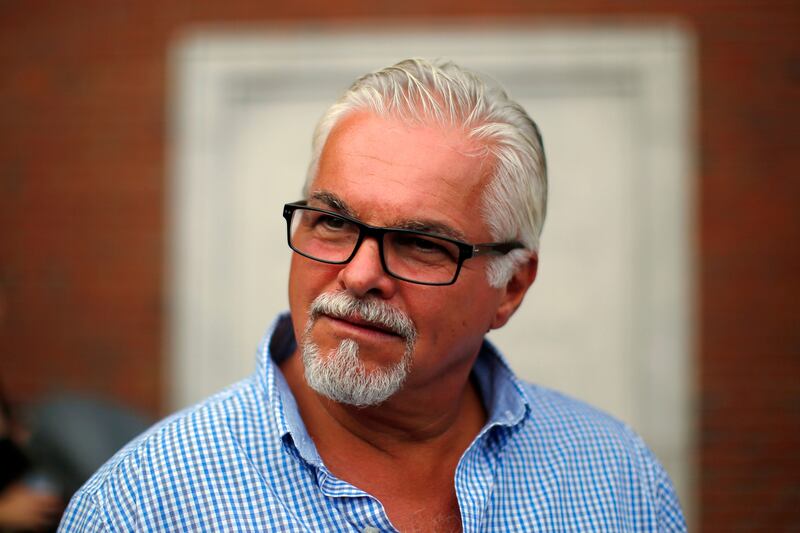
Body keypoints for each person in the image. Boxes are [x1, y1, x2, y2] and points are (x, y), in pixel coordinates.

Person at [59, 58, 686, 532]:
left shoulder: (619, 483)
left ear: (511, 287)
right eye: (332, 222)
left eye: (419, 243)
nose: (359, 275)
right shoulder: (142, 505)